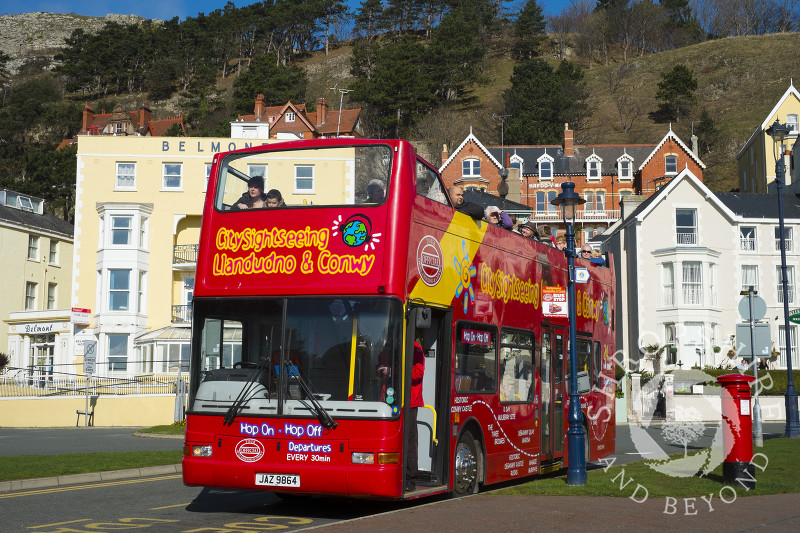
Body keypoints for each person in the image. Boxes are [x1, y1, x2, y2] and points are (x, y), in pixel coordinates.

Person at [406, 341, 425, 492]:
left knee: (410, 439)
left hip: (410, 401)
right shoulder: (389, 343)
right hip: (390, 399)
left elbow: (418, 373)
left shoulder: (415, 347)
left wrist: (393, 370)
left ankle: (411, 478)